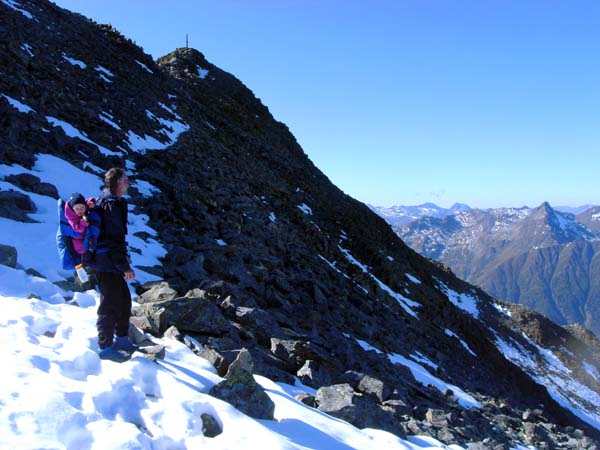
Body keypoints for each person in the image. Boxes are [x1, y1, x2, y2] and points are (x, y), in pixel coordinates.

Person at [93, 167, 137, 362]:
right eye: (125, 180)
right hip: (106, 262)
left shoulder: (114, 203)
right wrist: (124, 266)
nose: (128, 183)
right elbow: (114, 239)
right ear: (118, 182)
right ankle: (105, 346)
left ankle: (121, 338)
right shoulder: (111, 206)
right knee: (109, 304)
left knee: (124, 299)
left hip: (111, 262)